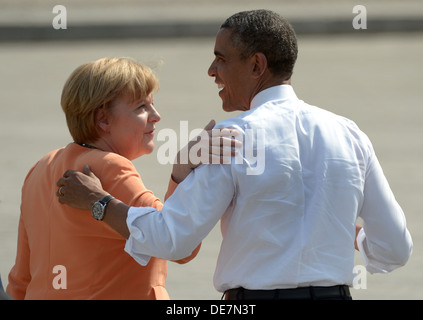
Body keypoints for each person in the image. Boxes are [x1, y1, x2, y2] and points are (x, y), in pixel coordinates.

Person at [56, 11, 413, 300]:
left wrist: (98, 202)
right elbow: (396, 248)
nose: (212, 72)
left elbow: (173, 238)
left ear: (257, 66)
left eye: (221, 59)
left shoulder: (232, 138)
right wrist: (351, 237)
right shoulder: (348, 133)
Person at [7, 57, 237, 300]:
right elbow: (178, 243)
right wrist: (180, 172)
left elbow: (21, 277)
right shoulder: (109, 166)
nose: (156, 116)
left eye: (152, 104)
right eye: (141, 107)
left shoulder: (41, 167)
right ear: (103, 119)